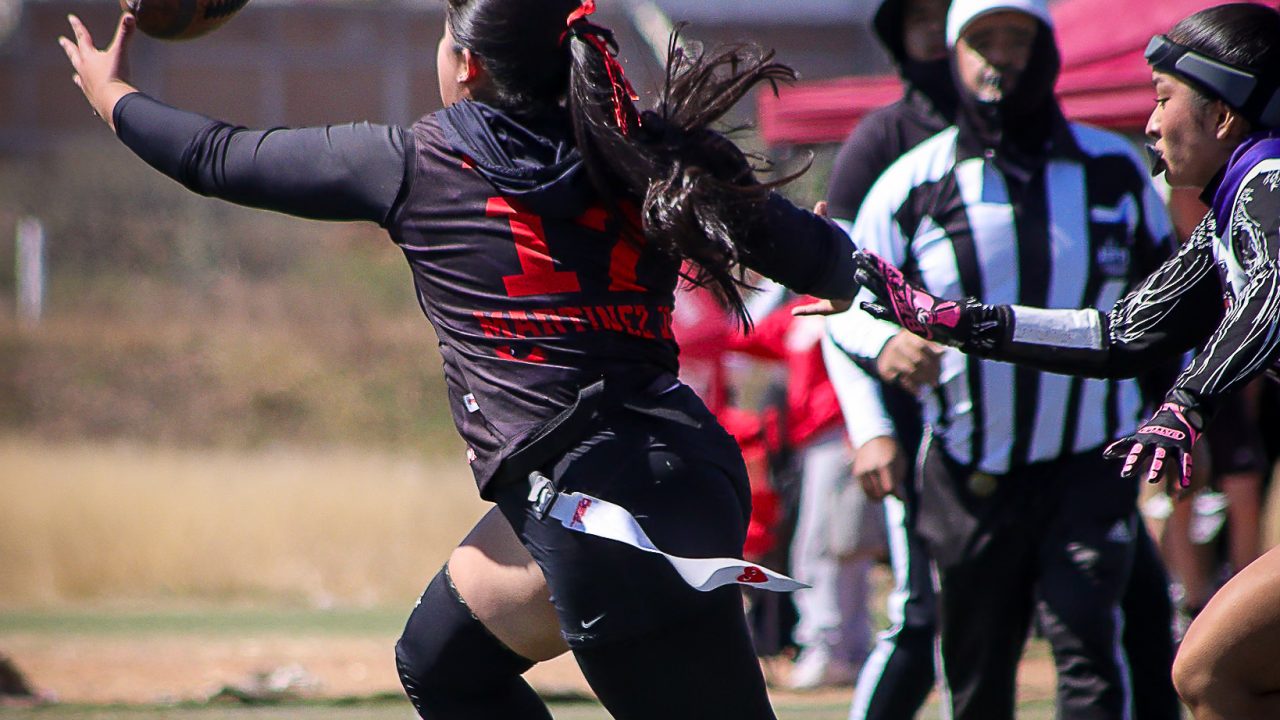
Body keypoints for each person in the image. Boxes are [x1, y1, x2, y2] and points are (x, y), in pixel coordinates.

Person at [57, 2, 867, 718]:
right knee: (443, 662)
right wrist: (832, 269)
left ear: (467, 63)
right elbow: (816, 252)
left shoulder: (418, 163)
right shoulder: (637, 145)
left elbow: (218, 155)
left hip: (606, 515)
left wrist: (112, 97)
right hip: (649, 477)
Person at [850, 5, 1280, 718]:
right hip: (981, 480)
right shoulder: (1235, 206)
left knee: (1209, 670)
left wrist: (1185, 402)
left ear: (1224, 115)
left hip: (1079, 475)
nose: (1149, 122)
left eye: (1162, 97)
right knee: (1210, 672)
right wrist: (958, 321)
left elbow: (1273, 295)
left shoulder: (1269, 177)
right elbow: (1119, 336)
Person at [820, 0, 954, 714]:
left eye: (945, 11)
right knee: (921, 612)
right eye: (917, 16)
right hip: (919, 423)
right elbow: (834, 304)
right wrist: (869, 424)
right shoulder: (882, 141)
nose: (933, 28)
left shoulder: (1045, 144)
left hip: (1035, 435)